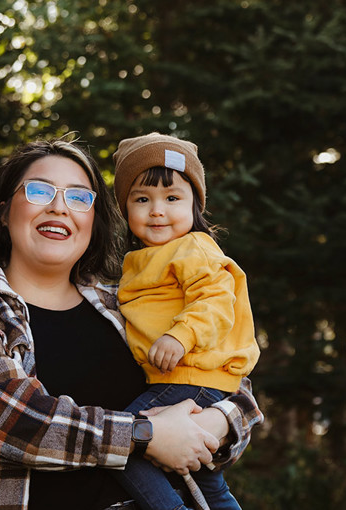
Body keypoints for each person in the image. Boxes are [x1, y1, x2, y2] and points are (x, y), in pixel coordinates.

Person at [0, 136, 263, 510]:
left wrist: (216, 423)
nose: (59, 207)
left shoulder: (121, 305)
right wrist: (146, 436)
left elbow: (226, 383)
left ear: (93, 219)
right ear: (4, 211)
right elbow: (5, 419)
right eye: (39, 191)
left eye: (78, 197)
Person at [110, 133, 260, 510]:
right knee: (209, 480)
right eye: (142, 199)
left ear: (195, 205)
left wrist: (180, 335)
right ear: (125, 208)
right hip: (184, 380)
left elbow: (216, 300)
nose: (157, 210)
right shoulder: (138, 261)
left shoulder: (192, 248)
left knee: (123, 441)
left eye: (172, 198)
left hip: (188, 376)